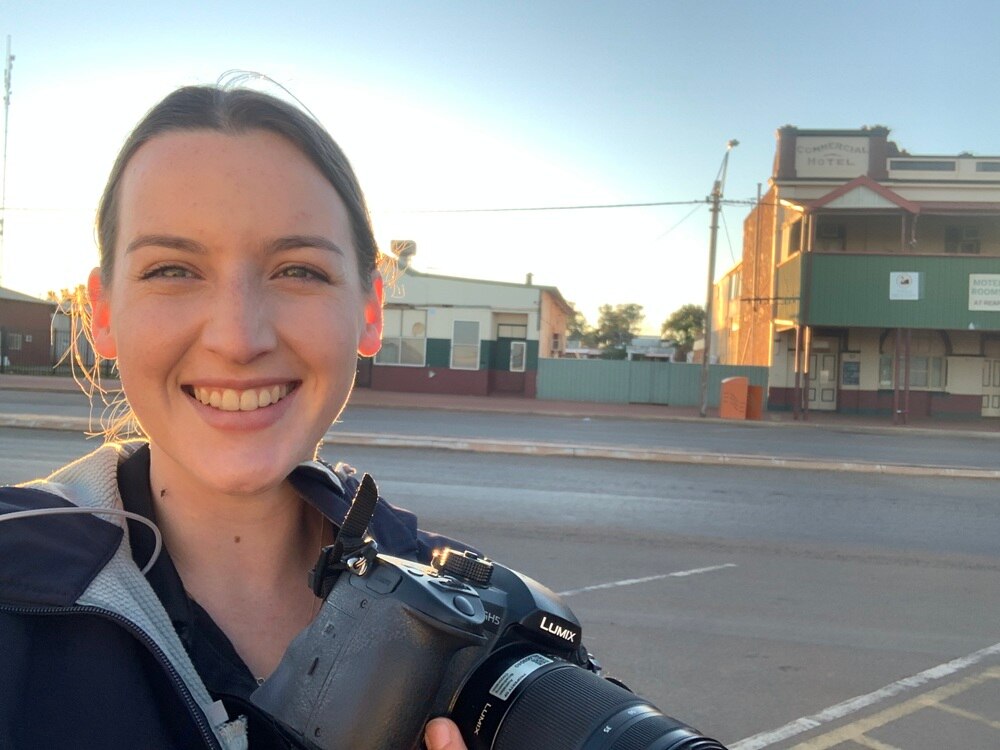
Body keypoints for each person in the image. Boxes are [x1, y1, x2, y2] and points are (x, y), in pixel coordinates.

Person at [0, 83, 470, 750]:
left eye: (298, 271)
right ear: (102, 314)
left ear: (370, 310)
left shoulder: (479, 631)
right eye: (171, 269)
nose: (237, 337)